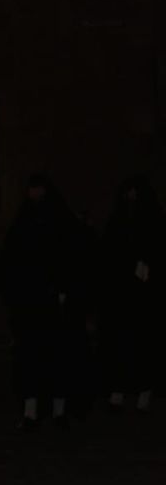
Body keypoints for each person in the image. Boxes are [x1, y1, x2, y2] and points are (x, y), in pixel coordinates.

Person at [0, 175, 89, 429]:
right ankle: (31, 411)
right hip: (30, 303)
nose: (35, 197)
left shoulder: (61, 221)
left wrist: (64, 289)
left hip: (55, 304)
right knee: (31, 357)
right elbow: (13, 259)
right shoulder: (25, 222)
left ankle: (58, 411)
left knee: (57, 356)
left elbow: (73, 259)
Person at [98, 176, 161, 414]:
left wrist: (148, 267)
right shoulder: (118, 220)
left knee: (142, 342)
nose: (132, 197)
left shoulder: (152, 220)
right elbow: (109, 252)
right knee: (121, 341)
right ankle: (119, 388)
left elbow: (156, 248)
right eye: (128, 193)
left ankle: (144, 389)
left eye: (136, 193)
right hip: (121, 294)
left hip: (144, 297)